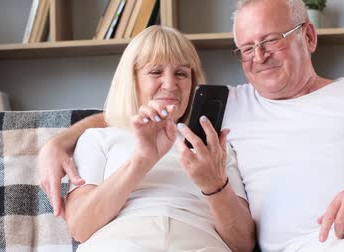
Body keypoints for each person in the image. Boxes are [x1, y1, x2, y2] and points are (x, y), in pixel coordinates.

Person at [39, 0, 344, 252]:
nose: (258, 56)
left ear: (308, 36)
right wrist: (57, 142)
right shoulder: (225, 108)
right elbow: (139, 115)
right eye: (246, 48)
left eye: (270, 40)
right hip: (297, 247)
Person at [63, 25, 255, 252]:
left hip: (199, 243)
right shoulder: (97, 138)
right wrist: (143, 159)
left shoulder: (213, 146)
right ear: (132, 80)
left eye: (181, 73)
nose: (170, 84)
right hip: (119, 242)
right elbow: (80, 227)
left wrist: (214, 185)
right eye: (155, 72)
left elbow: (243, 244)